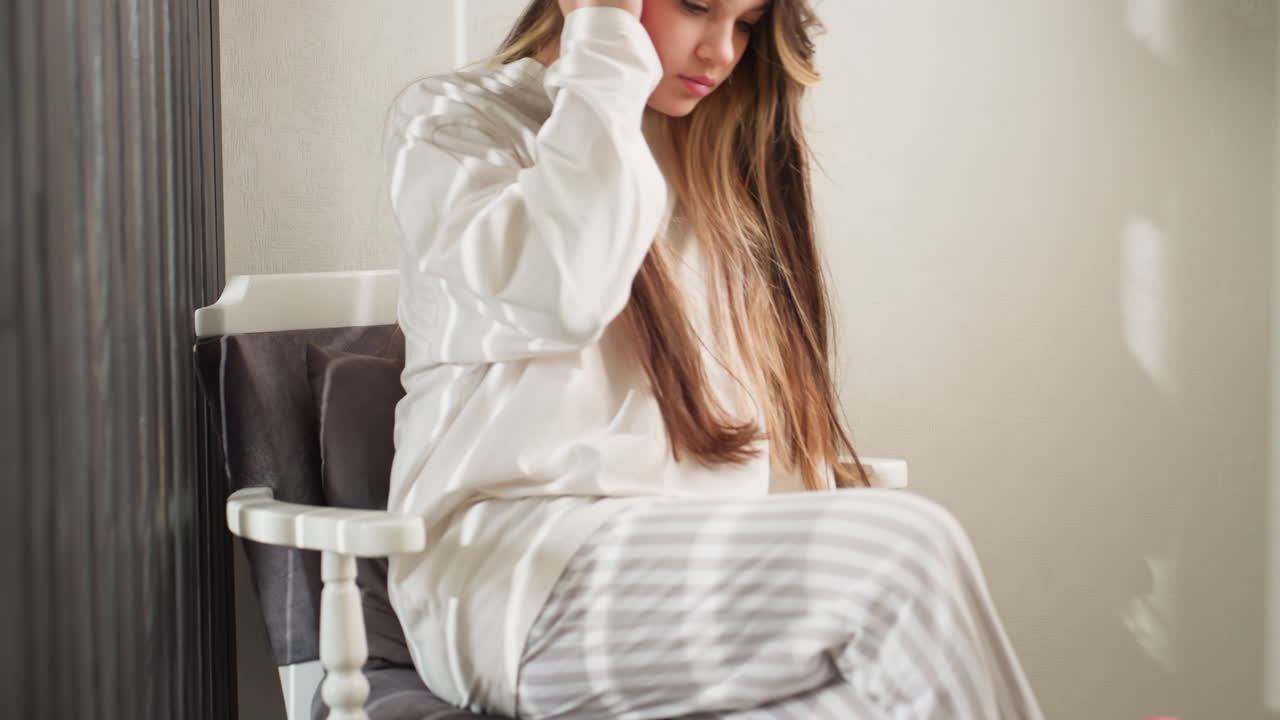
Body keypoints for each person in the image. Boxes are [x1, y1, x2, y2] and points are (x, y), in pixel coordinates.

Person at [381, 0, 1046, 717]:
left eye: (747, 23)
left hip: (680, 589)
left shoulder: (705, 158)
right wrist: (603, 44)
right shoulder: (449, 123)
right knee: (905, 549)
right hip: (517, 582)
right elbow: (561, 291)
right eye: (698, 6)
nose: (722, 52)